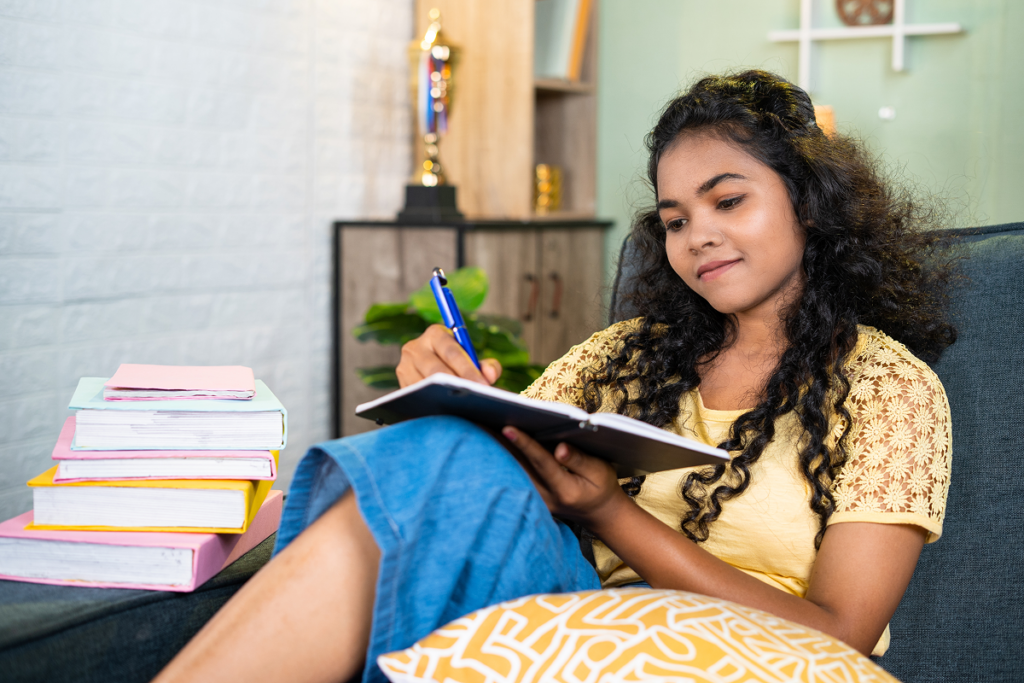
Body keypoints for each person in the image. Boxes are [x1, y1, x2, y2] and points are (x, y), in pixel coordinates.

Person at [155, 70, 956, 683]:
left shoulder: (889, 388)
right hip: (571, 612)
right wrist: (446, 390)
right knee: (447, 450)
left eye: (727, 201)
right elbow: (464, 486)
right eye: (675, 220)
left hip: (766, 655)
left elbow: (840, 632)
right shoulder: (622, 354)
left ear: (809, 205)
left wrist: (610, 510)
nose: (697, 236)